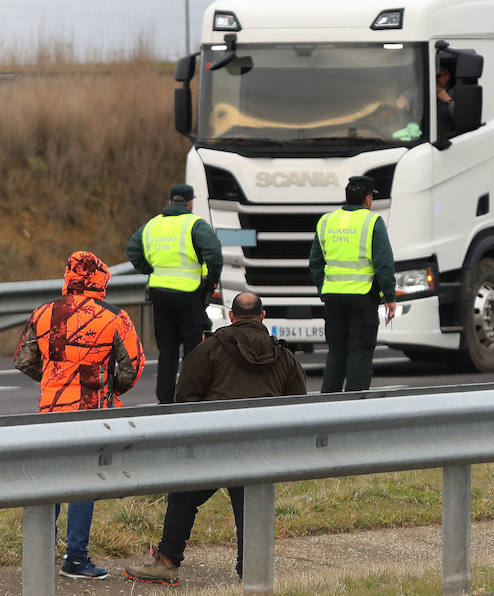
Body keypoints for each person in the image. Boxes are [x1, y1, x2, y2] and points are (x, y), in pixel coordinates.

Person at [123, 292, 306, 587]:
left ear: (231, 316)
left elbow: (185, 395)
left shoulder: (211, 348)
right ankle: (251, 573)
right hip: (259, 448)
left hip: (217, 444)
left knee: (184, 495)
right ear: (263, 316)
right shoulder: (283, 355)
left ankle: (167, 562)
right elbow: (299, 403)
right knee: (249, 507)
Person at [13, 251, 145, 580]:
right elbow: (132, 368)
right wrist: (110, 388)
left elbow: (24, 359)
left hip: (50, 409)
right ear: (101, 280)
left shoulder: (43, 312)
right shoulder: (114, 317)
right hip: (91, 409)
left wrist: (52, 379)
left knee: (51, 479)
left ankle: (42, 551)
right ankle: (75, 558)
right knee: (84, 481)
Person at [126, 183, 223, 404]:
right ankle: (188, 396)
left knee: (167, 349)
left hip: (160, 293)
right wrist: (210, 282)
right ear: (190, 203)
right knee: (193, 348)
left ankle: (165, 399)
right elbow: (214, 254)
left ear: (170, 201)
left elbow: (132, 250)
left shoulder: (152, 225)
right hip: (189, 293)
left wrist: (149, 269)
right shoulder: (195, 225)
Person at [309, 175, 397, 392]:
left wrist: (324, 289)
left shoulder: (326, 221)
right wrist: (389, 297)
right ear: (367, 199)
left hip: (332, 298)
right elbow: (384, 263)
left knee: (336, 353)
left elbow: (315, 263)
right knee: (360, 352)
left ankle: (328, 404)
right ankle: (355, 405)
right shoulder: (372, 221)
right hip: (362, 296)